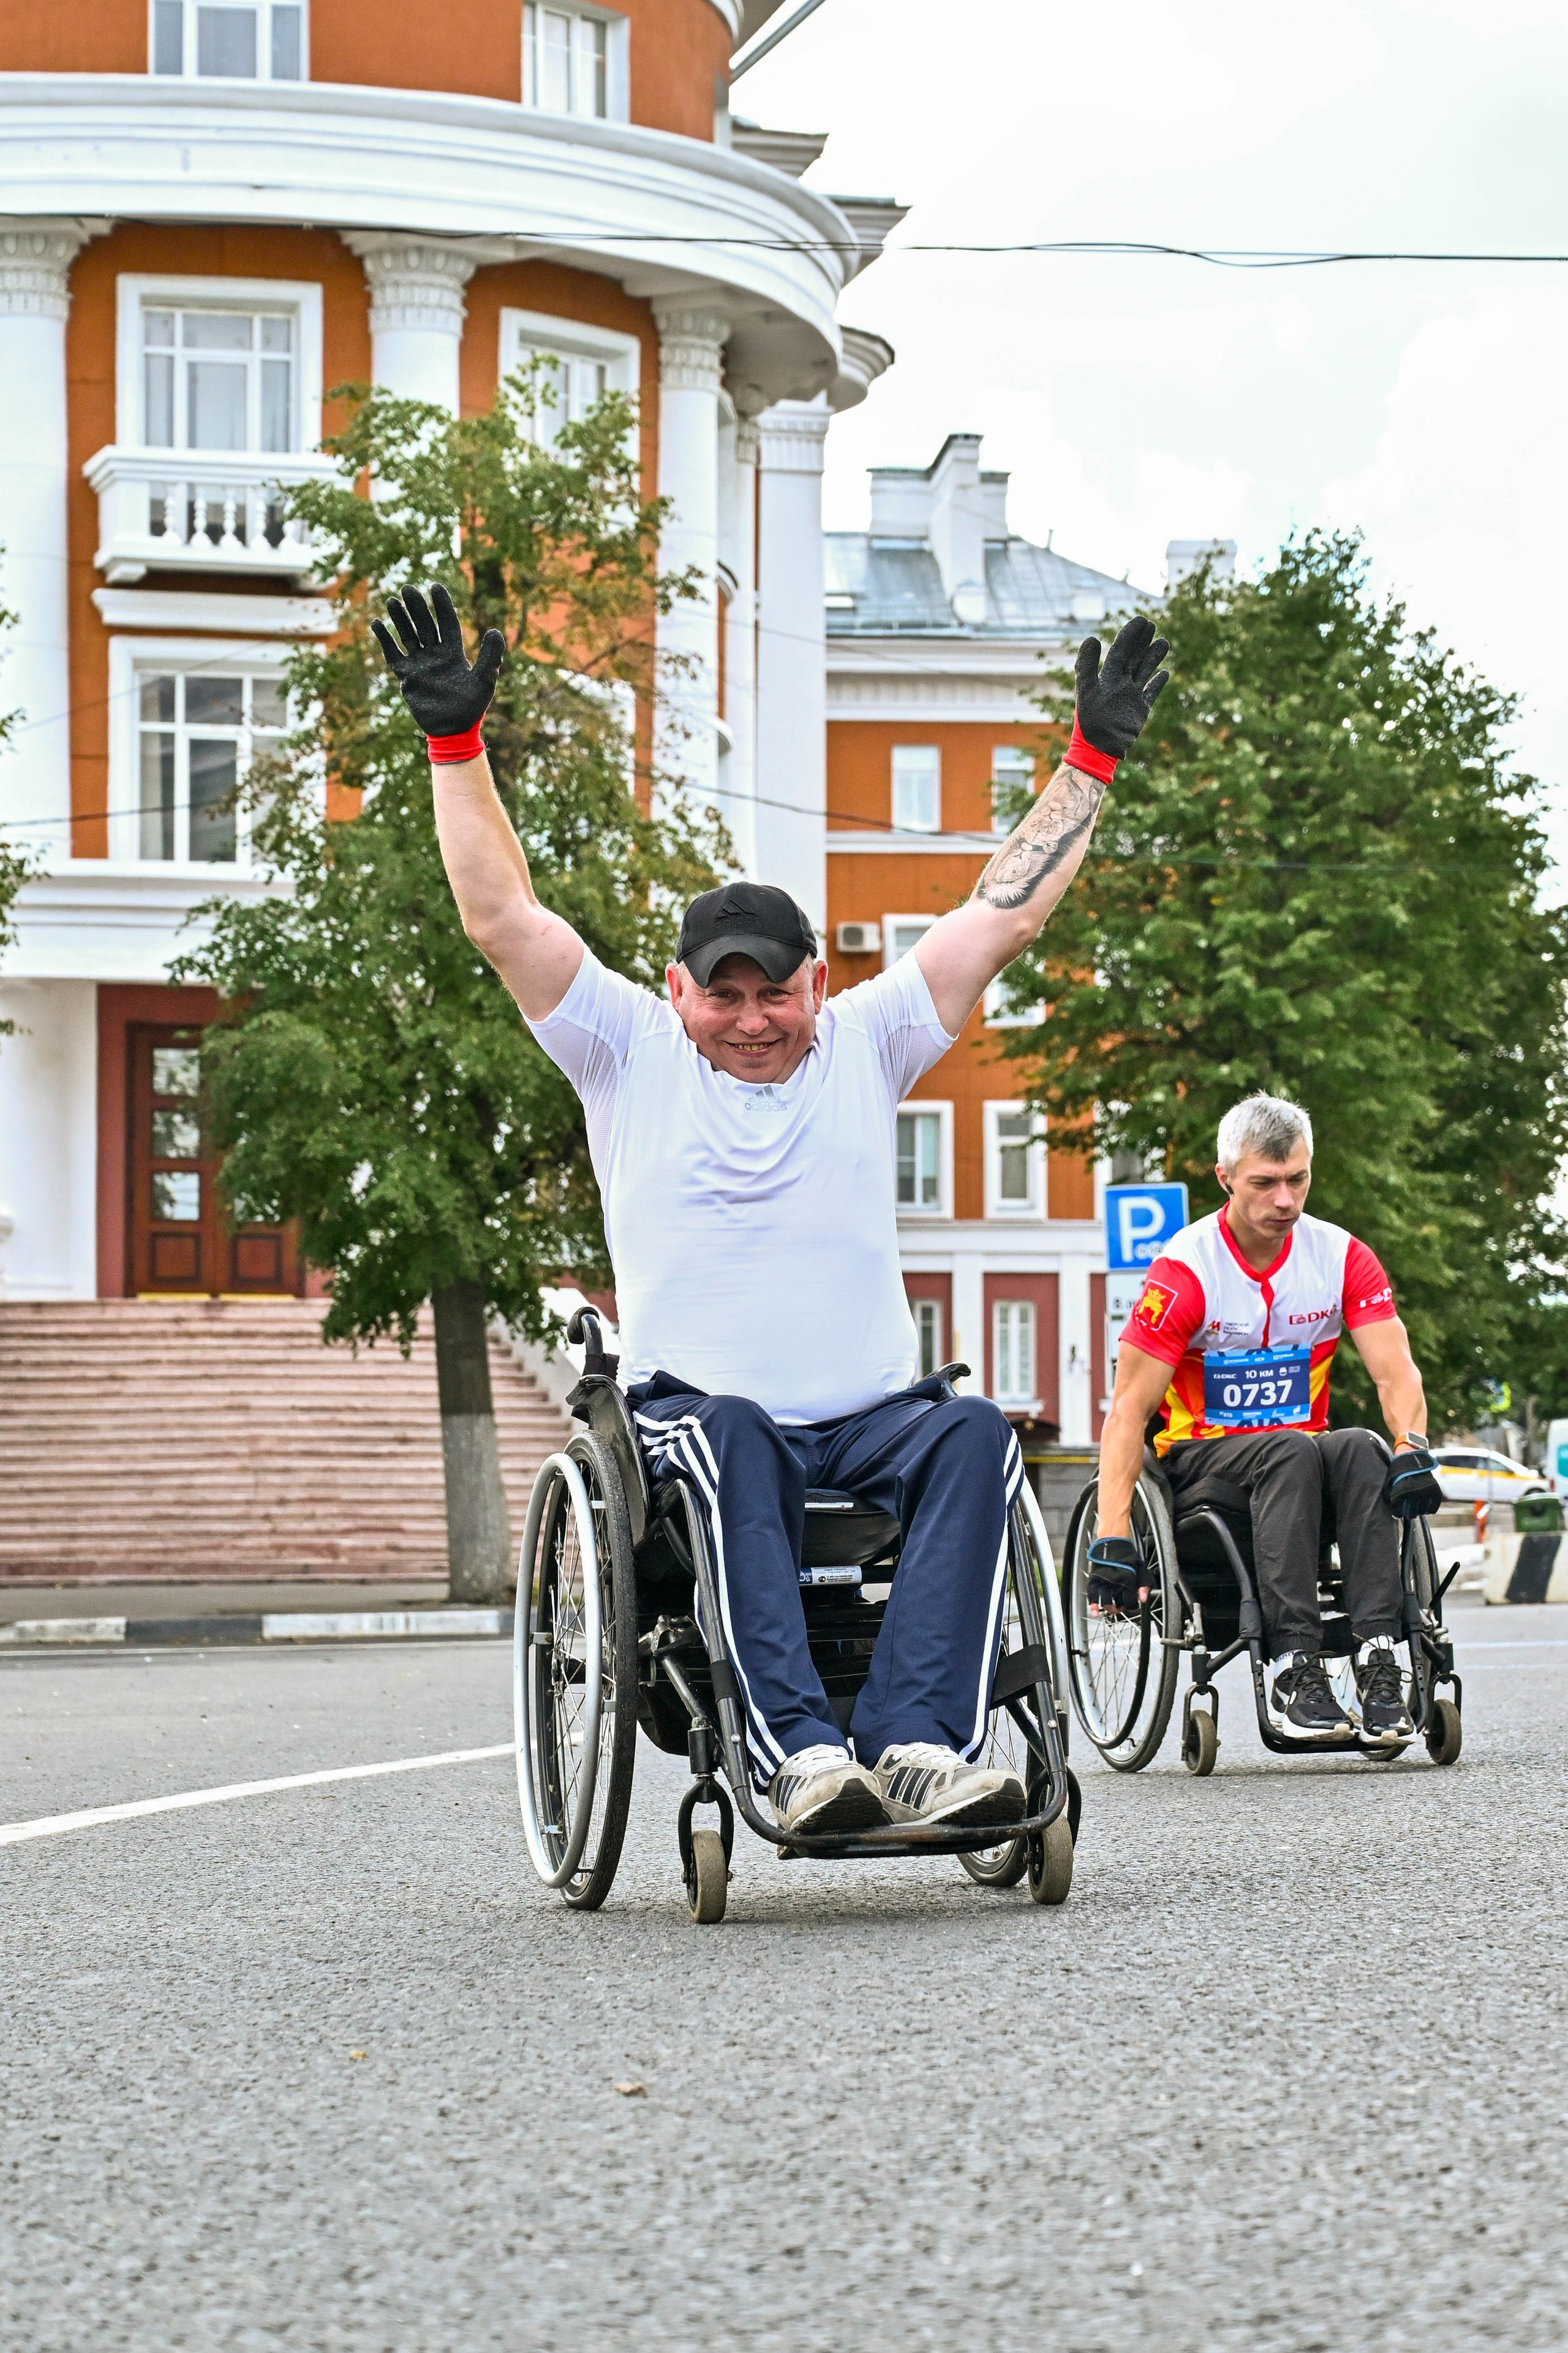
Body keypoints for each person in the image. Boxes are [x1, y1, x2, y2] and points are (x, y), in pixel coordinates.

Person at [373, 584, 1169, 1834]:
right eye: (723, 994)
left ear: (817, 983)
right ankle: (797, 1756)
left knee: (975, 1435)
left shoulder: (870, 1037)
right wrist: (454, 745)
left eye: (774, 993)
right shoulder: (623, 1047)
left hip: (870, 1419)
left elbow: (1004, 912)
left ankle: (915, 1742)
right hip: (699, 1419)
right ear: (678, 990)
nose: (751, 1019)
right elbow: (500, 916)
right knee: (735, 1428)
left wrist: (1090, 761)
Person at [1090, 1093, 1444, 1744]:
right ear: (1225, 1177)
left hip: (1301, 1458)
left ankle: (1379, 1659)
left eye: (1297, 1179)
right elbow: (1129, 1410)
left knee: (1362, 1447)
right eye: (1265, 1183)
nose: (1285, 1200)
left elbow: (1395, 1372)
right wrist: (1112, 1533)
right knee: (1290, 1449)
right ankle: (1293, 1666)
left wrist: (1410, 1444)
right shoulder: (1186, 1270)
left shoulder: (1341, 1257)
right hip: (1203, 1462)